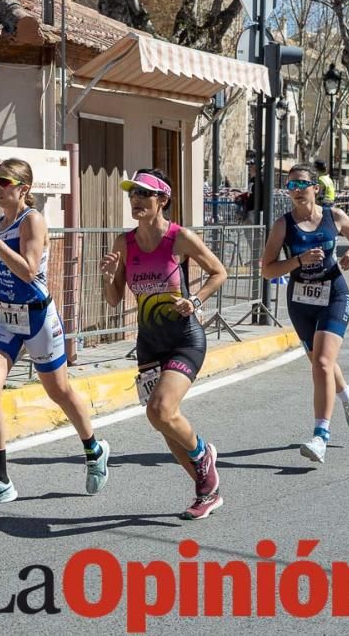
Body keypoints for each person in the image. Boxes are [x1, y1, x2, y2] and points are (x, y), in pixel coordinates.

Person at [0, 158, 109, 506]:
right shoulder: (0, 222)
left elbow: (30, 271)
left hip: (37, 317)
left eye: (5, 182)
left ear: (23, 189)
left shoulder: (31, 220)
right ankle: (0, 479)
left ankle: (93, 448)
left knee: (58, 390)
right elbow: (7, 267)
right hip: (3, 317)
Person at [100, 169, 227, 520]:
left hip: (184, 337)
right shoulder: (124, 243)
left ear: (162, 200)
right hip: (149, 343)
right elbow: (112, 300)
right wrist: (108, 279)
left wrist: (196, 301)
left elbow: (219, 271)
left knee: (160, 409)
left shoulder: (179, 238)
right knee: (162, 420)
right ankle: (208, 490)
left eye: (144, 194)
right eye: (132, 194)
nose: (136, 200)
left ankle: (203, 456)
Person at [262, 163, 349, 464]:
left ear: (315, 188)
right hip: (301, 301)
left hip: (334, 293)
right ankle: (347, 396)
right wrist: (298, 260)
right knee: (321, 362)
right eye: (290, 186)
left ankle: (320, 436)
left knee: (322, 362)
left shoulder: (333, 217)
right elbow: (267, 269)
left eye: (301, 185)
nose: (295, 191)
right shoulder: (283, 226)